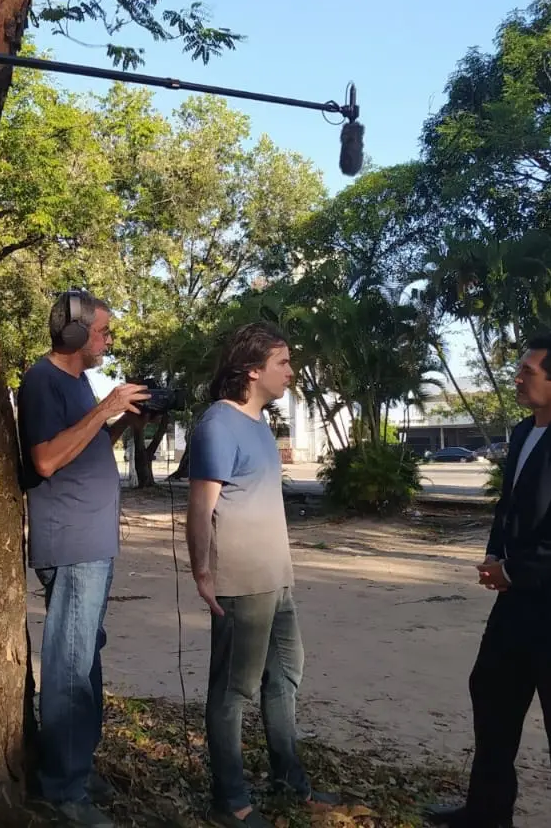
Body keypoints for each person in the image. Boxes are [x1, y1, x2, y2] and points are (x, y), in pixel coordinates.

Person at [425, 333, 551, 828]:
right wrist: (496, 551)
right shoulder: (523, 432)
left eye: (528, 372)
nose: (517, 378)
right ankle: (487, 812)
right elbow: (509, 507)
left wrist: (513, 569)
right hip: (516, 609)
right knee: (490, 699)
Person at [185, 322, 339, 828]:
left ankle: (289, 782)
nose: (291, 371)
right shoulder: (218, 424)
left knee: (284, 679)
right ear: (253, 371)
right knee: (232, 693)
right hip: (241, 582)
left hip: (278, 580)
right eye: (283, 362)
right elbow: (199, 509)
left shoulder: (259, 423)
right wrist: (204, 574)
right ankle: (230, 802)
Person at [17, 289, 151, 828]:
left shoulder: (79, 382)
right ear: (74, 334)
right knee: (70, 665)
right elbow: (46, 459)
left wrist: (123, 422)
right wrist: (105, 407)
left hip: (94, 543)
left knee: (87, 656)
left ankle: (79, 765)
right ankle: (62, 789)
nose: (108, 341)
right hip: (71, 545)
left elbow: (82, 444)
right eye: (103, 332)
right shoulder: (43, 381)